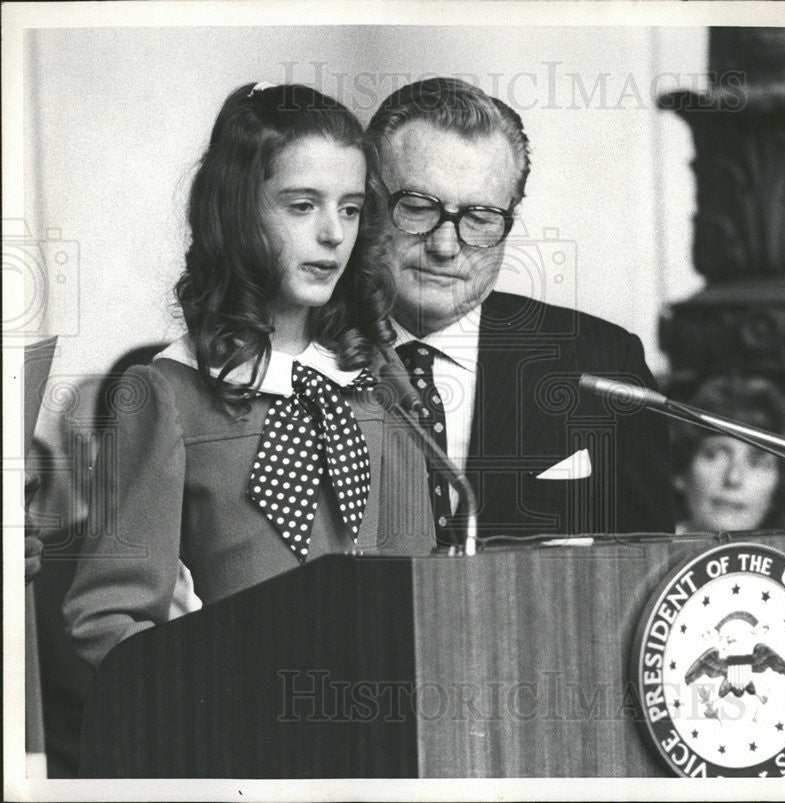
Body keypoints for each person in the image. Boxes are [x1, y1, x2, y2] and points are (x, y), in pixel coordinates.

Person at [63, 83, 434, 670]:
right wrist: (203, 673)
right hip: (237, 732)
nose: (333, 234)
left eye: (351, 208)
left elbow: (425, 590)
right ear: (237, 213)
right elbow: (105, 619)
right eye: (301, 205)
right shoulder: (168, 393)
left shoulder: (375, 384)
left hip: (375, 726)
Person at [364, 77, 674, 544]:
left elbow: (650, 570)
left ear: (512, 215)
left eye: (481, 218)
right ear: (369, 202)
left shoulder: (604, 364)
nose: (446, 246)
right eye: (417, 208)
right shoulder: (302, 355)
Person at [670, 376, 785, 533]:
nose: (733, 478)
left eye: (756, 463)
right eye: (715, 456)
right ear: (680, 473)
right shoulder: (648, 553)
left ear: (781, 482)